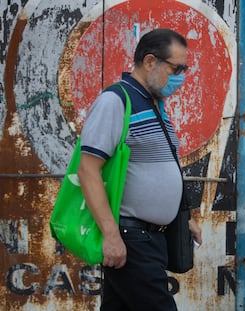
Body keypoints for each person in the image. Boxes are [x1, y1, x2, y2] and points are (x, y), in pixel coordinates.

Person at [77, 28, 202, 311]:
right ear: (149, 62)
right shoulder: (116, 101)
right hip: (132, 239)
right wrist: (111, 235)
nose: (181, 76)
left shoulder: (155, 105)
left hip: (153, 239)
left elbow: (160, 170)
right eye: (177, 68)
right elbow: (88, 170)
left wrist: (182, 221)